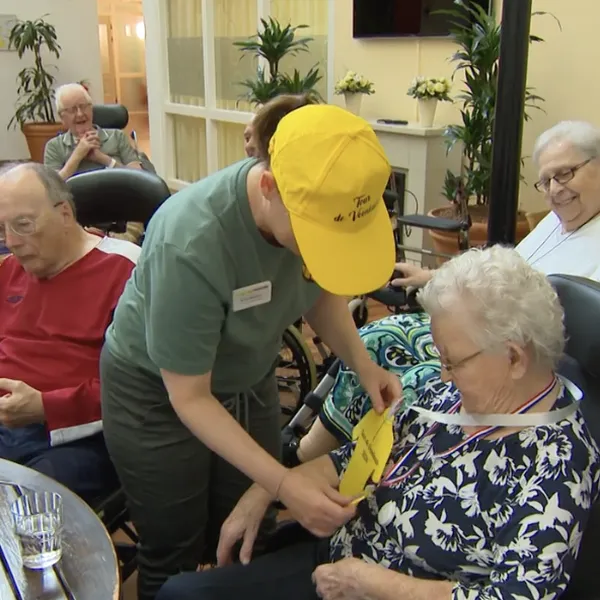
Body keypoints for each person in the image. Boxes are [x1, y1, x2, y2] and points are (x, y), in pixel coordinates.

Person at [157, 245, 600, 600]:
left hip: (376, 585)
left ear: (515, 358)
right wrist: (268, 488)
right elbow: (361, 453)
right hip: (338, 559)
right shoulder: (461, 395)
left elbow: (515, 595)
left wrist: (374, 584)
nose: (443, 375)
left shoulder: (559, 465)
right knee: (181, 593)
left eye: (452, 362)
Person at [99, 93, 402, 599]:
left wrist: (363, 365)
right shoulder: (190, 240)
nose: (316, 251)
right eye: (313, 237)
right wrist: (284, 484)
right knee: (174, 545)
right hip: (157, 391)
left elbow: (320, 289)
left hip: (248, 371)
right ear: (268, 187)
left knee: (251, 530)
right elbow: (190, 396)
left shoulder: (313, 207)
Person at [293, 118, 600, 462]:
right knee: (377, 336)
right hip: (476, 327)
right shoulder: (555, 223)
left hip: (512, 357)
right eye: (546, 181)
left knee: (416, 381)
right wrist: (433, 278)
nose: (555, 189)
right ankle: (308, 454)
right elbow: (497, 278)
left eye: (565, 174)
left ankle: (369, 466)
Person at [0, 163, 141, 502]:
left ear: (64, 214)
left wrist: (46, 406)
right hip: (7, 423)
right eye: (2, 229)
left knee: (22, 508)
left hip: (81, 436)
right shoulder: (10, 270)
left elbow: (142, 388)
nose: (12, 242)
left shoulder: (127, 270)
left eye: (23, 225)